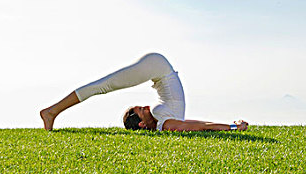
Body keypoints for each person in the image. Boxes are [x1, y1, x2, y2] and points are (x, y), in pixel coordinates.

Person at [40, 53, 249, 132]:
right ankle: (51, 112)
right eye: (141, 110)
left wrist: (232, 127)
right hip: (158, 67)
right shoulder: (165, 123)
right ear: (142, 123)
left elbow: (196, 126)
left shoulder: (162, 120)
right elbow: (197, 125)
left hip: (157, 67)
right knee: (103, 86)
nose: (146, 107)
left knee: (104, 86)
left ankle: (52, 112)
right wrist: (231, 126)